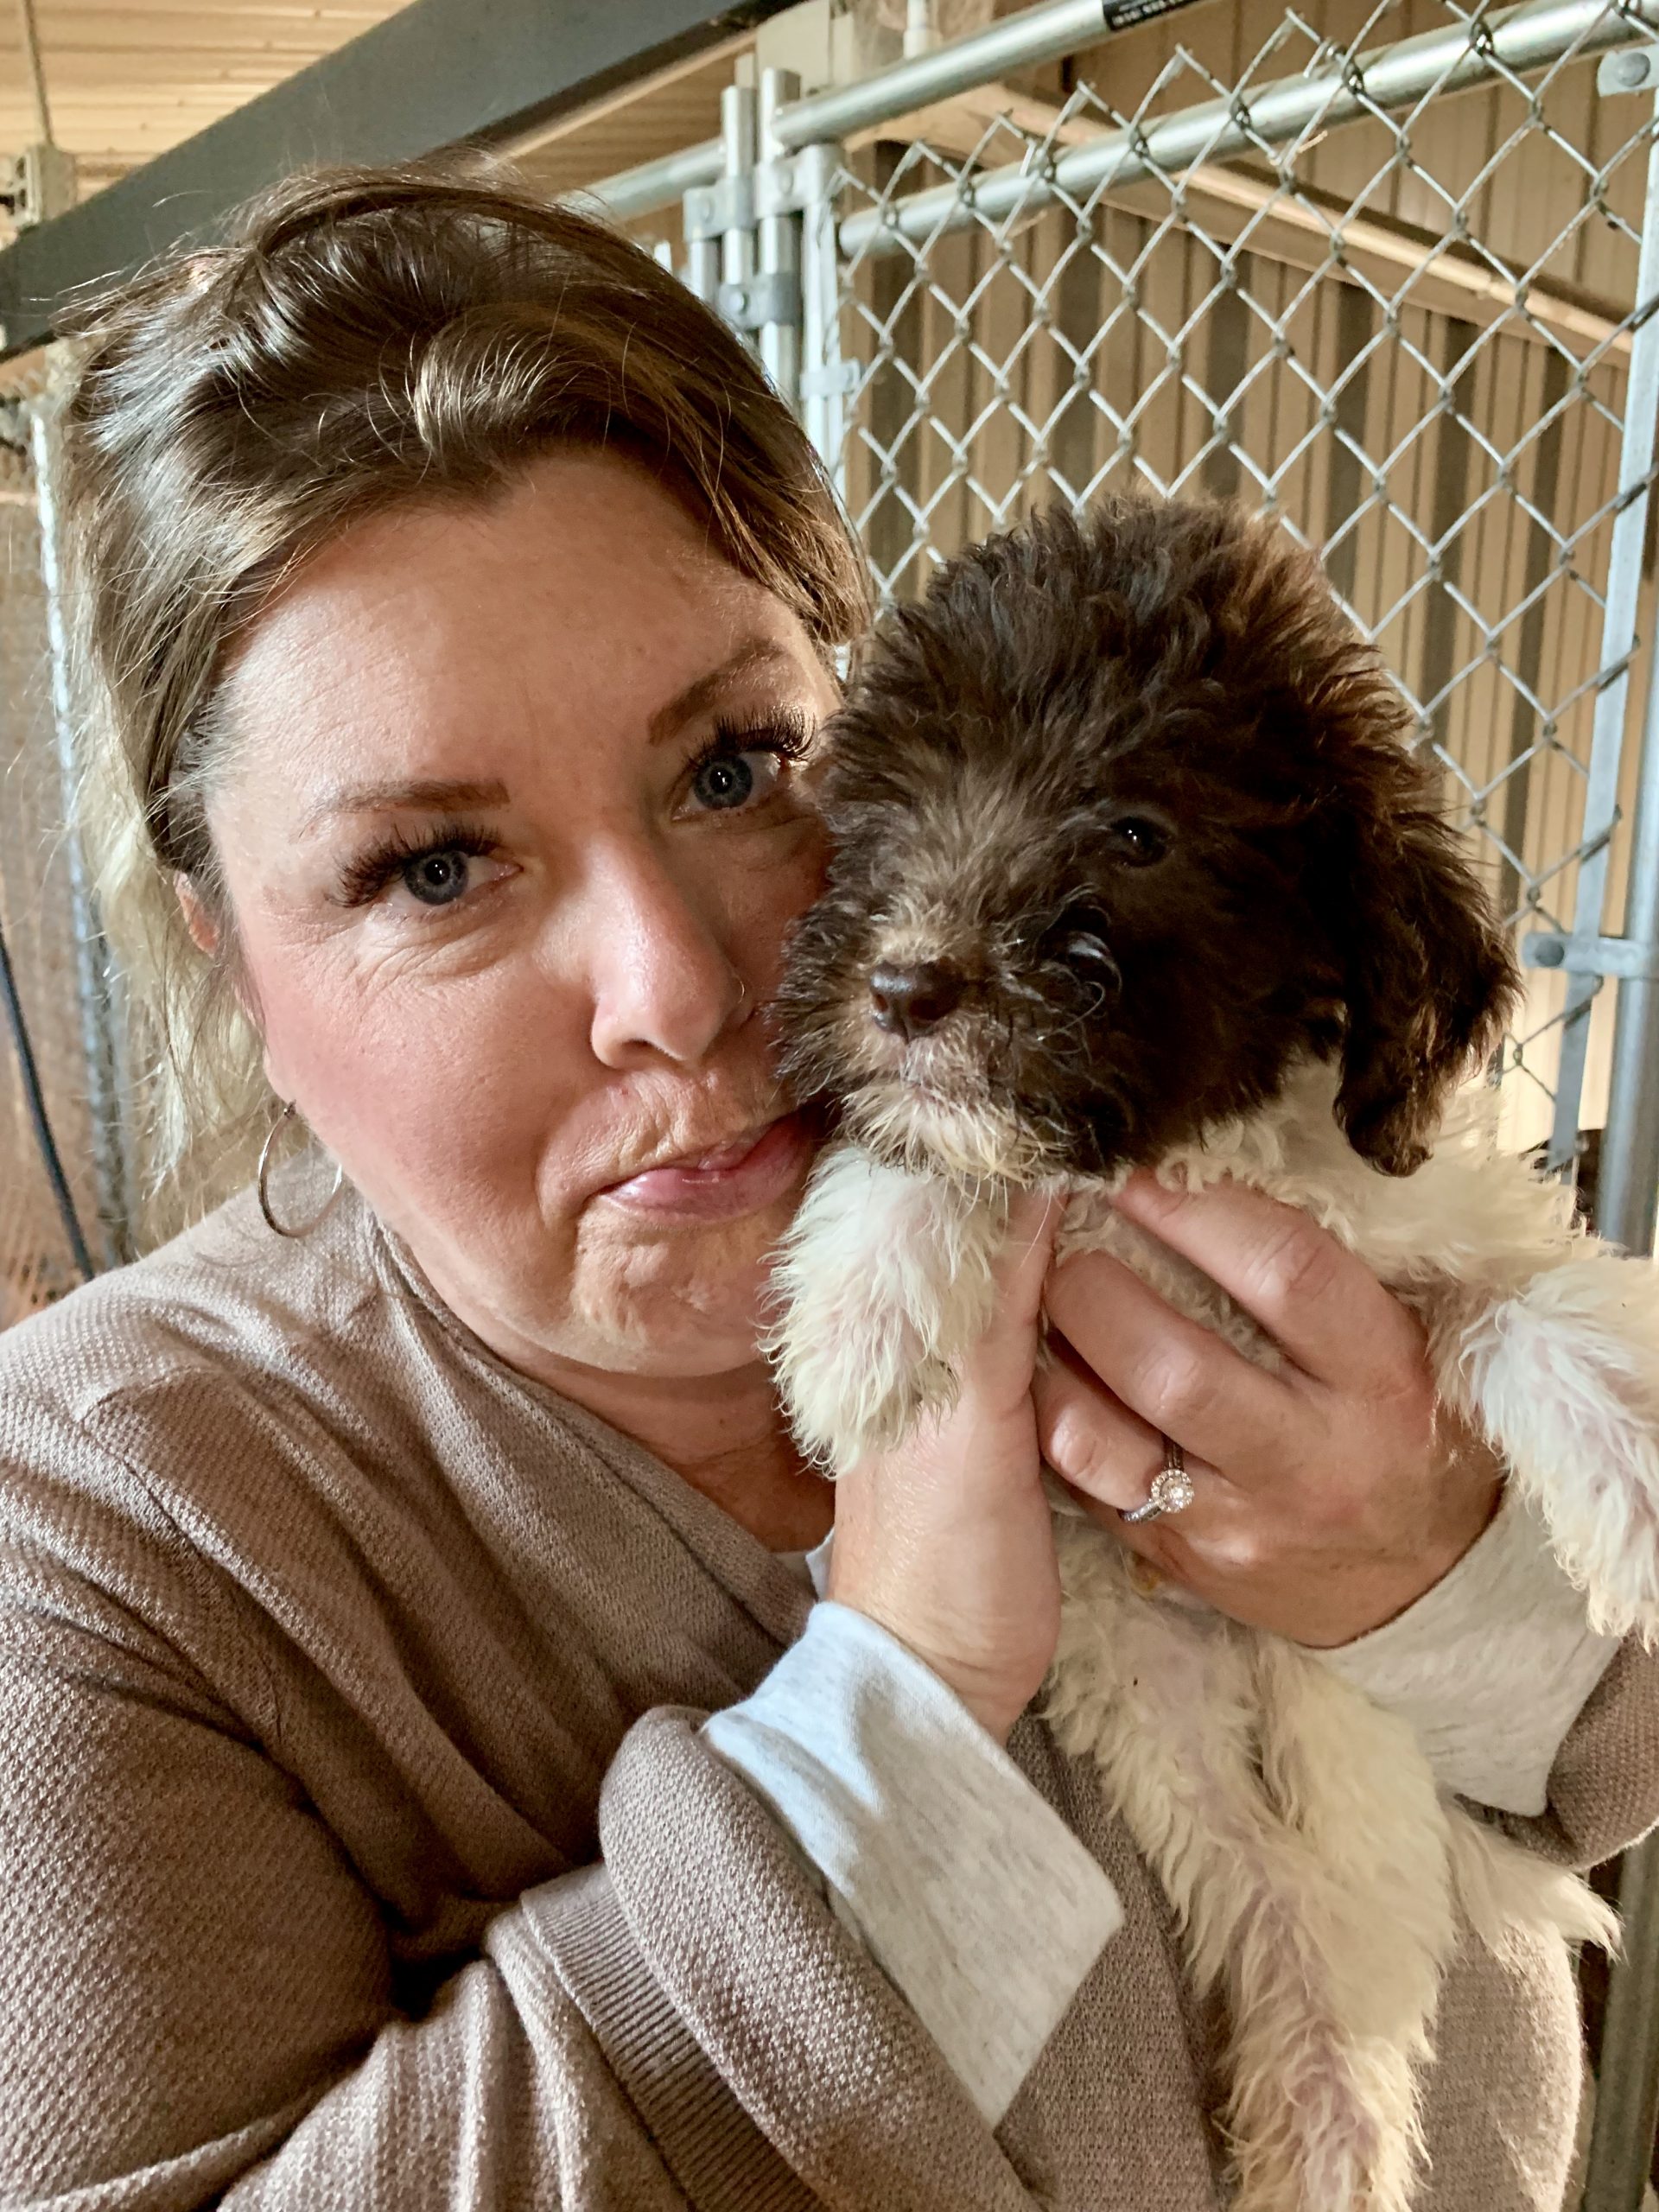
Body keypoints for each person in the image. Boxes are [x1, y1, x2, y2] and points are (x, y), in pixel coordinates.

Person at [0, 162, 1645, 2211]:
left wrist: (1442, 1578)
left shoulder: (1162, 1137)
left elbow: (1591, 1774)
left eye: (732, 767)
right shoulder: (98, 1534)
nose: (683, 987)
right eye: (434, 866)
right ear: (227, 954)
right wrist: (901, 1722)